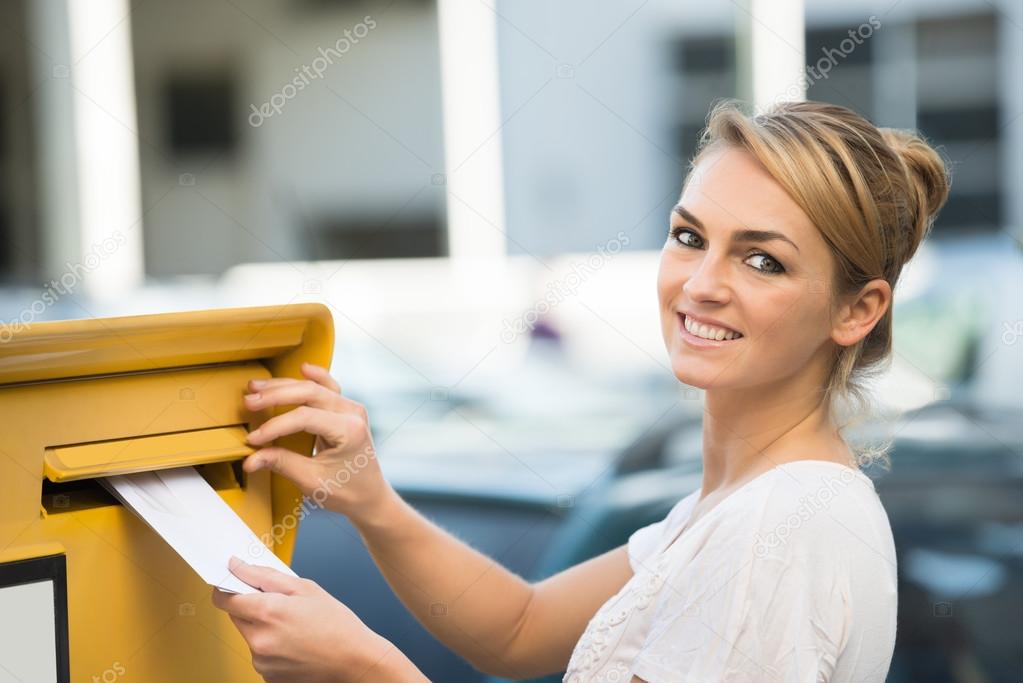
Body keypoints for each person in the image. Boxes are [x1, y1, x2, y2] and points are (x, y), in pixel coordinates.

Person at [211, 99, 950, 682]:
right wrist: (371, 499)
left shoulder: (776, 527)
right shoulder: (733, 507)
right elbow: (518, 629)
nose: (699, 285)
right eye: (689, 236)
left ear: (857, 310)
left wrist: (360, 667)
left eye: (762, 260)